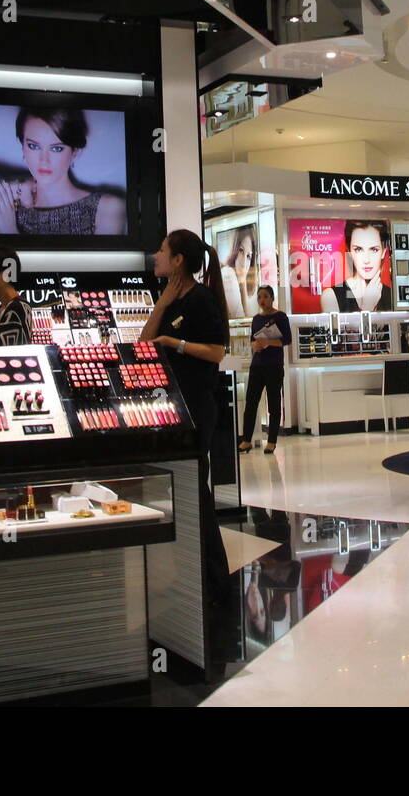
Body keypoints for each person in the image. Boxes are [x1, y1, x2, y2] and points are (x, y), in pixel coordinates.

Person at [140, 228, 230, 600]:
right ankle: (197, 573)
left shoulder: (201, 300)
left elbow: (216, 351)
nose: (155, 256)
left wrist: (175, 343)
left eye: (162, 251)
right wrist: (161, 306)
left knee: (196, 490)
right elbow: (144, 344)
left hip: (197, 405)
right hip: (174, 407)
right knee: (185, 490)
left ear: (178, 260)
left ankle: (214, 577)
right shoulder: (172, 299)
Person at [0, 107, 126, 235]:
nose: (43, 160)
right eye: (34, 146)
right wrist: (16, 189)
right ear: (23, 147)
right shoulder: (9, 211)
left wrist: (10, 231)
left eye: (56, 148)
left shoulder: (107, 207)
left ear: (74, 152)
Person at [238, 285, 290, 454]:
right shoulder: (256, 319)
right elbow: (252, 339)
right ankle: (246, 440)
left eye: (266, 296)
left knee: (274, 404)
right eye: (259, 297)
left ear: (272, 298)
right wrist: (256, 345)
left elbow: (286, 339)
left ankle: (272, 441)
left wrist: (269, 342)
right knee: (251, 403)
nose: (262, 300)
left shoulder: (281, 317)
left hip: (274, 366)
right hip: (257, 365)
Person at [321, 219, 392, 313]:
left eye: (374, 249)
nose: (366, 260)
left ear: (383, 252)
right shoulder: (331, 296)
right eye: (358, 249)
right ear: (349, 252)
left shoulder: (392, 296)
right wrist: (367, 308)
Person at [220, 224, 259, 319]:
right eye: (241, 251)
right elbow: (241, 320)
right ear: (235, 249)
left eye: (249, 256)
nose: (244, 262)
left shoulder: (238, 277)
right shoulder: (228, 274)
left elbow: (247, 316)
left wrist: (243, 282)